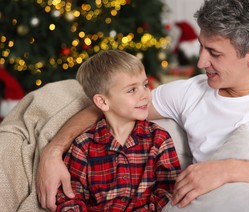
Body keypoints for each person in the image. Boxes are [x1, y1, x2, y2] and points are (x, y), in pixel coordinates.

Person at [38, 0, 249, 211]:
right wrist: (53, 153)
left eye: (214, 53)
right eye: (202, 47)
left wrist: (229, 169)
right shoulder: (189, 92)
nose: (201, 61)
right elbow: (106, 104)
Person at [55, 50, 181, 211]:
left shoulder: (159, 138)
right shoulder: (83, 145)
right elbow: (71, 197)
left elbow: (169, 192)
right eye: (132, 90)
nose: (145, 95)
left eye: (144, 85)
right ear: (102, 101)